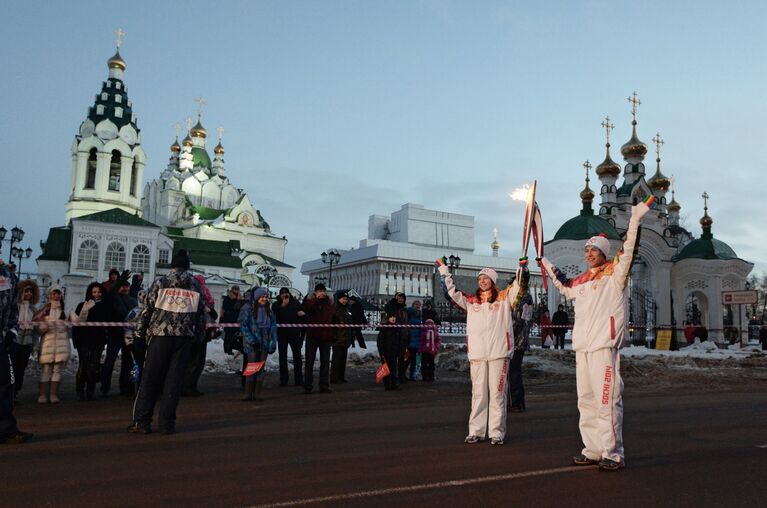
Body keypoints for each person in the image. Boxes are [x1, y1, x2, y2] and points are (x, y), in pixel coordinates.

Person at [539, 199, 651, 471]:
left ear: (603, 253)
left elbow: (628, 251)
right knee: (586, 401)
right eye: (587, 250)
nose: (589, 254)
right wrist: (545, 262)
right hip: (584, 348)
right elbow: (564, 284)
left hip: (603, 346)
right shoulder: (582, 282)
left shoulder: (615, 274)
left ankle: (613, 452)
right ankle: (592, 449)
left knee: (607, 401)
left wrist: (635, 220)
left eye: (593, 250)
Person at [438, 261, 526, 446]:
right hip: (477, 353)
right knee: (478, 393)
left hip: (499, 353)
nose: (483, 281)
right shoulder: (471, 301)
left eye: (486, 278)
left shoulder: (504, 299)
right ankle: (476, 431)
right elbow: (451, 293)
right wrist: (445, 271)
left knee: (497, 393)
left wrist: (522, 269)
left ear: (493, 281)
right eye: (480, 278)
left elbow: (519, 286)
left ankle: (496, 432)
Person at [128, 250, 205, 435]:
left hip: (160, 336)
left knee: (150, 379)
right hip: (184, 337)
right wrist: (198, 337)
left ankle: (142, 422)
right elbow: (201, 315)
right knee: (174, 381)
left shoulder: (161, 282)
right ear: (187, 266)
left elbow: (147, 309)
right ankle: (167, 423)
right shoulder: (195, 285)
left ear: (172, 266)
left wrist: (139, 333)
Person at [1, 259, 33, 443]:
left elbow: (13, 308)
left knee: (6, 383)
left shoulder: (8, 276)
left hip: (2, 341)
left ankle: (6, 429)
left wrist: (11, 332)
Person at [33, 286, 72, 404]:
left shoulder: (65, 311)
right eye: (53, 293)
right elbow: (39, 330)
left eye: (58, 293)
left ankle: (53, 394)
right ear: (49, 295)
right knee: (46, 370)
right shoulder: (44, 311)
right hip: (47, 344)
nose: (56, 296)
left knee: (57, 370)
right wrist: (45, 326)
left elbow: (71, 328)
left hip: (62, 344)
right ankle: (43, 395)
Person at [72, 282, 109, 401]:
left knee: (94, 366)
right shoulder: (82, 305)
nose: (97, 294)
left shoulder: (104, 306)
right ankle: (80, 390)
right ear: (90, 293)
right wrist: (76, 342)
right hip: (83, 341)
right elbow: (76, 325)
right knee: (83, 366)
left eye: (99, 292)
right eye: (94, 292)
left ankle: (90, 391)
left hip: (98, 341)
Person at [239, 287, 277, 401]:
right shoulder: (248, 310)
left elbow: (273, 327)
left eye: (266, 297)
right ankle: (247, 393)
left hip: (264, 343)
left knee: (260, 368)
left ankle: (257, 393)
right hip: (252, 344)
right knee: (252, 367)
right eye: (262, 297)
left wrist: (272, 343)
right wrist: (252, 341)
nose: (264, 299)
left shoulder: (269, 311)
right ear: (256, 297)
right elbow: (244, 326)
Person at [182, 274, 216, 397]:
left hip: (201, 333)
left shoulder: (205, 296)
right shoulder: (193, 296)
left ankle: (191, 385)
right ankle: (187, 386)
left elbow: (213, 314)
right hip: (195, 333)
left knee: (198, 362)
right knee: (193, 362)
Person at [103, 274, 136, 397]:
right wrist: (119, 281)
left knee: (128, 363)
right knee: (109, 362)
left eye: (127, 286)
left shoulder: (132, 300)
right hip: (114, 334)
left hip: (128, 335)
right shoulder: (114, 298)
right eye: (122, 286)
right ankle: (105, 387)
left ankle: (126, 387)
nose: (124, 289)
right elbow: (110, 292)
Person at [302, 283, 335, 394]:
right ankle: (308, 386)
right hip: (313, 335)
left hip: (326, 336)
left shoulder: (329, 303)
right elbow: (307, 309)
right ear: (315, 292)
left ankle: (324, 385)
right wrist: (315, 299)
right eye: (319, 291)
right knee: (309, 361)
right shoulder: (311, 301)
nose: (321, 293)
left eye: (323, 290)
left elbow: (333, 316)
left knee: (325, 362)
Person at [12, 280, 40, 402]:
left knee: (20, 371)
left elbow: (36, 331)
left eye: (31, 292)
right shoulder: (14, 307)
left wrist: (35, 346)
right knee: (10, 370)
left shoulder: (34, 310)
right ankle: (7, 394)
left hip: (27, 344)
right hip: (13, 342)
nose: (28, 294)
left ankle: (15, 394)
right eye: (26, 291)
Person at [272, 287, 305, 387]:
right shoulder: (276, 304)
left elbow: (302, 314)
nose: (284, 295)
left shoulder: (295, 303)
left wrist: (302, 314)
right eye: (282, 293)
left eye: (286, 293)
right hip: (282, 334)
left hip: (294, 333)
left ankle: (299, 380)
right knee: (283, 357)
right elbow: (274, 312)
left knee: (297, 357)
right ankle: (284, 380)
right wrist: (283, 305)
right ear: (280, 295)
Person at [508, 296, 529, 412]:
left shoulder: (519, 300)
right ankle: (518, 402)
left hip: (516, 342)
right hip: (521, 341)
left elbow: (515, 322)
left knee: (513, 372)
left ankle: (515, 403)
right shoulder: (527, 301)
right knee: (515, 372)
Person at [384, 292, 409, 384]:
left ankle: (401, 376)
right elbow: (386, 309)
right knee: (393, 358)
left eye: (402, 298)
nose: (400, 299)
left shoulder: (405, 310)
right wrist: (393, 300)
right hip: (394, 337)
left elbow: (407, 323)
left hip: (403, 336)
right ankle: (392, 376)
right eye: (399, 298)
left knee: (402, 358)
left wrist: (407, 334)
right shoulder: (392, 308)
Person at [331, 291, 354, 384]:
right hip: (338, 338)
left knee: (343, 359)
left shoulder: (346, 310)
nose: (345, 300)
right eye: (343, 299)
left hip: (345, 338)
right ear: (339, 299)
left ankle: (341, 377)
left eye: (346, 299)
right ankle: (334, 378)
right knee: (336, 359)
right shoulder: (335, 309)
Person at [376, 312, 400, 390]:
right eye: (391, 317)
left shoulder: (397, 328)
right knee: (386, 369)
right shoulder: (384, 328)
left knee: (394, 369)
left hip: (394, 352)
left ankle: (394, 384)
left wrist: (399, 351)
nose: (393, 318)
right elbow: (380, 341)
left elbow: (399, 341)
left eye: (394, 317)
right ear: (388, 318)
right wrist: (381, 353)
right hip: (386, 352)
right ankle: (387, 385)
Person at [220, 286, 244, 355]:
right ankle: (227, 350)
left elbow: (241, 309)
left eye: (237, 290)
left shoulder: (240, 299)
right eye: (235, 290)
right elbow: (225, 308)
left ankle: (231, 348)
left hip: (236, 320)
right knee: (228, 335)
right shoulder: (227, 298)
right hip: (228, 319)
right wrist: (222, 319)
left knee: (234, 336)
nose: (236, 291)